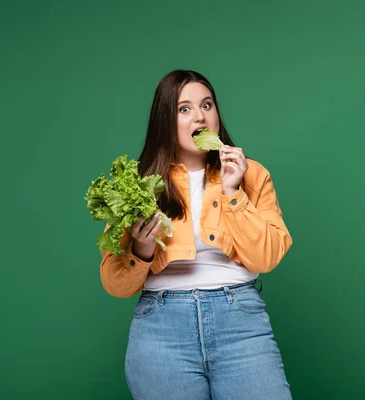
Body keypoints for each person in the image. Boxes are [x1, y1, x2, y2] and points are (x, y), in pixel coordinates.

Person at [99, 69, 294, 400]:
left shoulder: (252, 174)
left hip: (240, 322)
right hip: (161, 329)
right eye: (184, 109)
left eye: (207, 105)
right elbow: (116, 284)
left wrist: (234, 194)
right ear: (165, 120)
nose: (200, 116)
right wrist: (143, 248)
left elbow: (268, 256)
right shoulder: (138, 184)